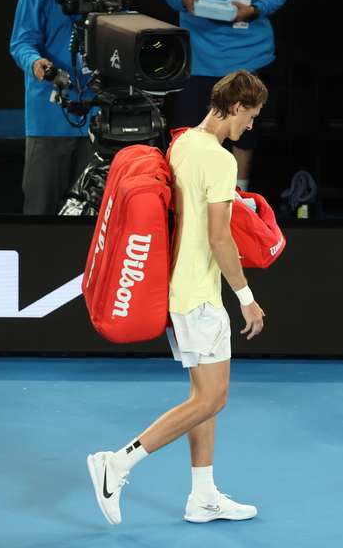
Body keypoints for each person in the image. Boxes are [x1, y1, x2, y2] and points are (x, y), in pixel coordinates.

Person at [87, 70, 268, 526]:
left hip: (180, 289)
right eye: (252, 115)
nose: (252, 126)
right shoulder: (221, 160)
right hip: (199, 295)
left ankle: (203, 496)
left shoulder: (184, 142)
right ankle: (117, 463)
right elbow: (219, 238)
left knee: (202, 394)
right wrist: (245, 296)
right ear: (236, 107)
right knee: (212, 398)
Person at [161, 0, 287, 191]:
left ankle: (240, 196)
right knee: (189, 131)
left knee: (244, 134)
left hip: (244, 55)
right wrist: (182, 0)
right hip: (199, 56)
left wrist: (255, 9)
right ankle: (187, 195)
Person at [10, 0, 99, 215]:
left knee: (91, 207)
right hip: (50, 116)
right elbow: (21, 42)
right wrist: (34, 62)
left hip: (95, 114)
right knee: (41, 207)